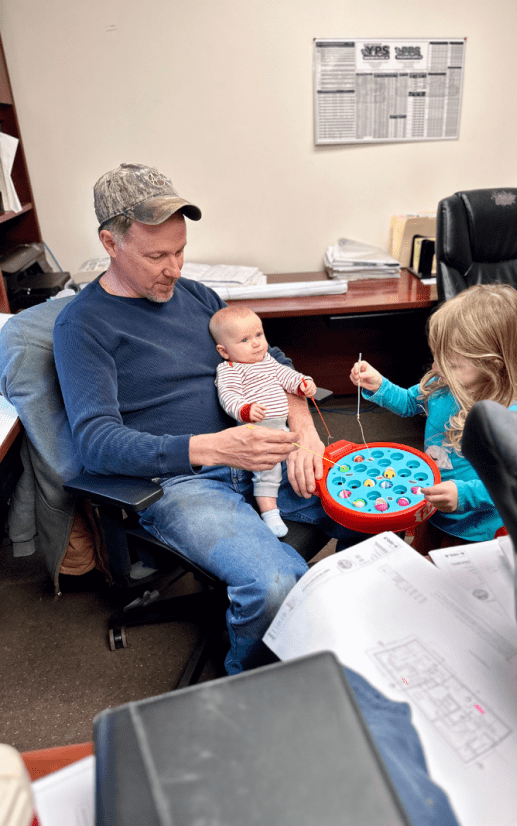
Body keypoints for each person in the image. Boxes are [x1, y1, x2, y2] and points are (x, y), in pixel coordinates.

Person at [53, 163, 361, 675]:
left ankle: (346, 639)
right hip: (183, 482)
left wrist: (303, 430)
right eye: (157, 256)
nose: (174, 268)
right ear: (110, 243)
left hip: (266, 451)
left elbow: (270, 360)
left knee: (381, 513)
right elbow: (96, 443)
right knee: (275, 585)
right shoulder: (82, 325)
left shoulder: (195, 295)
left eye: (180, 251)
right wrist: (216, 449)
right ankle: (249, 687)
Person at [350, 284, 517, 553]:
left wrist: (464, 494)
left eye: (451, 364)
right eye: (435, 357)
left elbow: (514, 483)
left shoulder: (509, 416)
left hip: (476, 530)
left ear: (492, 364)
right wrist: (379, 385)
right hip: (434, 510)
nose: (435, 368)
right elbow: (408, 402)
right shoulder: (442, 386)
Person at [209, 305, 317, 538]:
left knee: (303, 459)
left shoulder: (267, 361)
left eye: (259, 335)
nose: (257, 343)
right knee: (267, 472)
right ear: (224, 351)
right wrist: (245, 410)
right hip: (256, 433)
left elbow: (285, 375)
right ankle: (270, 513)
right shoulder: (230, 369)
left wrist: (302, 382)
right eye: (245, 340)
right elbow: (228, 397)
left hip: (282, 428)